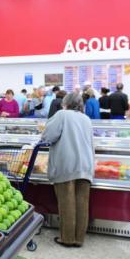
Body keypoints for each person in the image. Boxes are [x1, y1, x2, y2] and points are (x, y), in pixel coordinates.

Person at [41, 93, 94, 247]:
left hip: (66, 163)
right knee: (82, 202)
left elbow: (48, 136)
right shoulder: (86, 118)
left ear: (66, 103)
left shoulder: (62, 115)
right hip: (85, 164)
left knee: (67, 202)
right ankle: (79, 239)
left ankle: (68, 238)